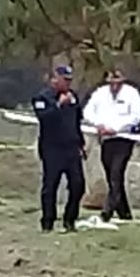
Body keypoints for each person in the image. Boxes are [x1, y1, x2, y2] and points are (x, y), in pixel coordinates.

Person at [83, 69, 140, 223]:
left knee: (116, 174)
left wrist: (116, 128)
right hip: (105, 140)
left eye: (118, 83)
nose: (115, 86)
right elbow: (88, 111)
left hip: (123, 139)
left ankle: (107, 212)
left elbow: (135, 117)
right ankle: (124, 212)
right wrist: (100, 125)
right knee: (112, 176)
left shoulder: (132, 94)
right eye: (112, 83)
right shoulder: (100, 93)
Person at [31, 65, 86, 233]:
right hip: (52, 148)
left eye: (70, 80)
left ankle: (70, 219)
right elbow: (44, 118)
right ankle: (48, 221)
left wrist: (81, 144)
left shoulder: (73, 97)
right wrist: (58, 105)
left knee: (78, 185)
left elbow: (76, 122)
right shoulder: (42, 98)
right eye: (65, 80)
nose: (68, 84)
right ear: (54, 80)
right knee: (51, 186)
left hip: (71, 147)